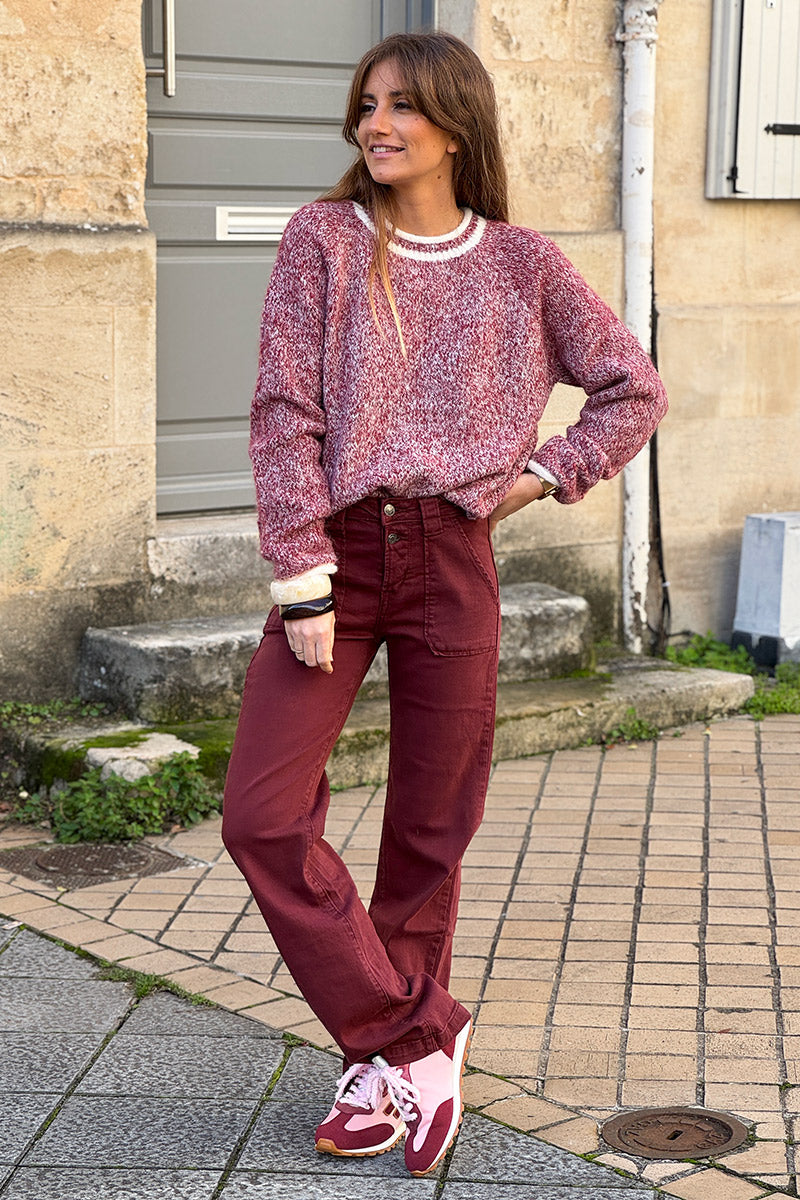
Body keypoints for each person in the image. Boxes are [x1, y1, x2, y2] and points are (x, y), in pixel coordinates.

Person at [222, 29, 667, 1178]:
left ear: (456, 125)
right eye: (367, 103)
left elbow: (631, 387)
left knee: (429, 831)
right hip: (340, 562)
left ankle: (382, 1070)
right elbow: (283, 412)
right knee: (261, 816)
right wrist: (302, 573)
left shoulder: (521, 263)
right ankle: (412, 1036)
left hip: (456, 557)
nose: (377, 124)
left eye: (404, 106)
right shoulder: (324, 240)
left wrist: (535, 478)